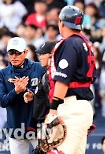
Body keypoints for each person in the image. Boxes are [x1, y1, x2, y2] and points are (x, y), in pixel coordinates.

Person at [44, 6, 96, 154]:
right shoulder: (85, 43)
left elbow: (63, 80)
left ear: (61, 23)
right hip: (82, 106)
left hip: (71, 108)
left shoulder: (69, 43)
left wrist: (53, 110)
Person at [0, 37, 45, 154]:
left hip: (37, 126)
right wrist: (16, 91)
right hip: (15, 127)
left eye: (17, 53)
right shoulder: (2, 74)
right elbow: (1, 101)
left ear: (26, 52)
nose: (14, 56)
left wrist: (31, 93)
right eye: (11, 52)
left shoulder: (38, 68)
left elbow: (48, 93)